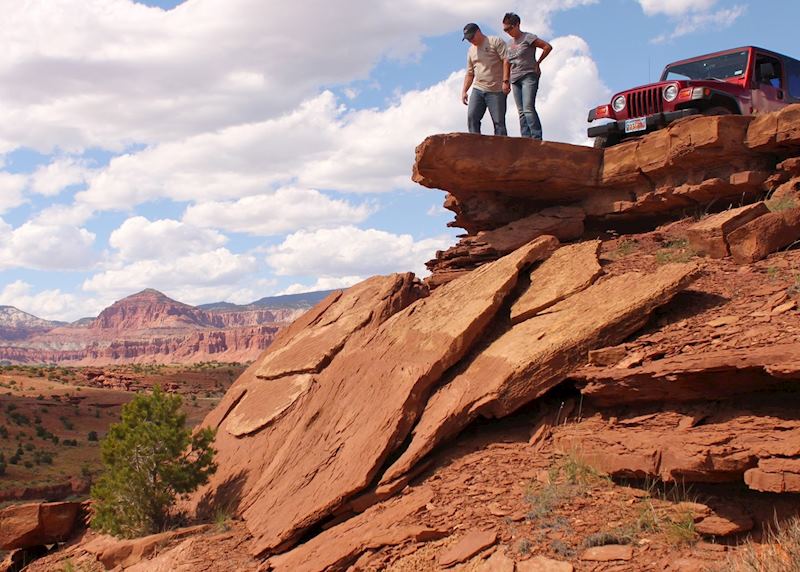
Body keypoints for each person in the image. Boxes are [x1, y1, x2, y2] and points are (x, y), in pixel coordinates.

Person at [502, 12, 552, 140]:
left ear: (517, 25)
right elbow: (506, 61)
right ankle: (525, 138)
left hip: (529, 75)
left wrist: (538, 62)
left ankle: (536, 137)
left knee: (528, 107)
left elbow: (547, 47)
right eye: (505, 29)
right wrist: (506, 80)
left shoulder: (528, 37)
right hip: (515, 78)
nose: (507, 32)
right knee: (521, 112)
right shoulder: (508, 43)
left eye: (509, 28)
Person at [461, 23, 510, 136]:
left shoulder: (495, 41)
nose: (470, 40)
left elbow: (506, 61)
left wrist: (506, 81)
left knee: (499, 122)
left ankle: (501, 149)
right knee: (472, 117)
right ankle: (476, 148)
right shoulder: (471, 50)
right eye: (468, 39)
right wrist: (464, 91)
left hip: (496, 89)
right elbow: (469, 73)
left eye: (472, 37)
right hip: (478, 88)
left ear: (478, 32)